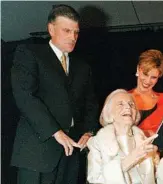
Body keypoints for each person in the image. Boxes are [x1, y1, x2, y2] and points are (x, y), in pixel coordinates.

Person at [10, 5, 98, 184]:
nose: (73, 37)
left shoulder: (83, 67)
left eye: (76, 32)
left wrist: (89, 131)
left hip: (70, 155)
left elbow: (90, 104)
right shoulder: (29, 53)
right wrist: (56, 132)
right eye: (67, 30)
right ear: (51, 29)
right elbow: (25, 97)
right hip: (37, 153)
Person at [87, 89, 163, 184]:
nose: (128, 107)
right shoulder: (97, 143)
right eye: (120, 104)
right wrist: (130, 160)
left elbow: (160, 179)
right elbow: (95, 179)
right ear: (109, 112)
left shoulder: (144, 141)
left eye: (131, 104)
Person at [128, 49, 163, 137]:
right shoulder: (123, 98)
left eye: (154, 77)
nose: (148, 81)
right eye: (145, 74)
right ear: (138, 69)